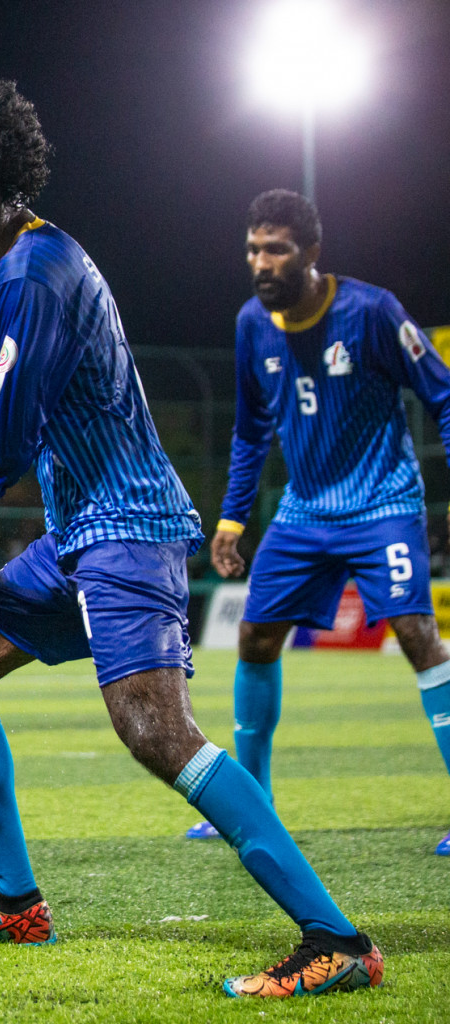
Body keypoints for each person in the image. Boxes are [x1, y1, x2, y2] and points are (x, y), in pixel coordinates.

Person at [0, 77, 381, 999]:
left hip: (125, 532)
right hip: (84, 534)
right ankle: (15, 903)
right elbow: (25, 415)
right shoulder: (31, 264)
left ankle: (338, 941)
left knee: (155, 731)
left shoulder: (34, 276)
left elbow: (7, 445)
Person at [182, 190, 450, 857]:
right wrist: (232, 521)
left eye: (275, 249)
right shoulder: (252, 322)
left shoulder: (372, 311)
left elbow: (443, 395)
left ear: (312, 252)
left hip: (382, 503)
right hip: (304, 510)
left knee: (419, 636)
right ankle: (252, 803)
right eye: (252, 249)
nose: (260, 262)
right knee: (255, 636)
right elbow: (249, 432)